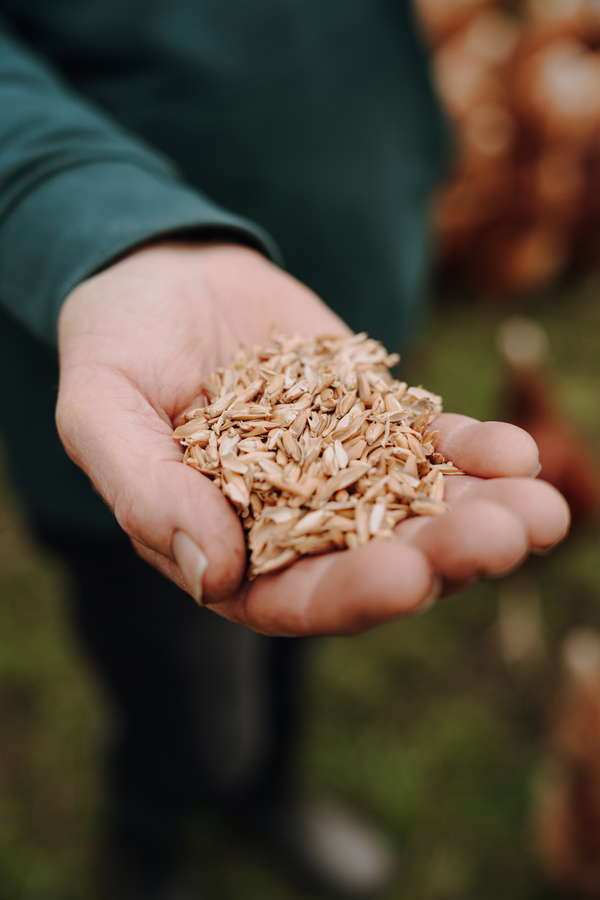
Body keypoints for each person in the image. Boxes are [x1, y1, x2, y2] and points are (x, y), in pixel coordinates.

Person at [0, 2, 570, 898]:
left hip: (347, 278)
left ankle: (268, 796)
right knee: (176, 697)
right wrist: (85, 211)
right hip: (122, 324)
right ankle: (148, 848)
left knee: (304, 621)